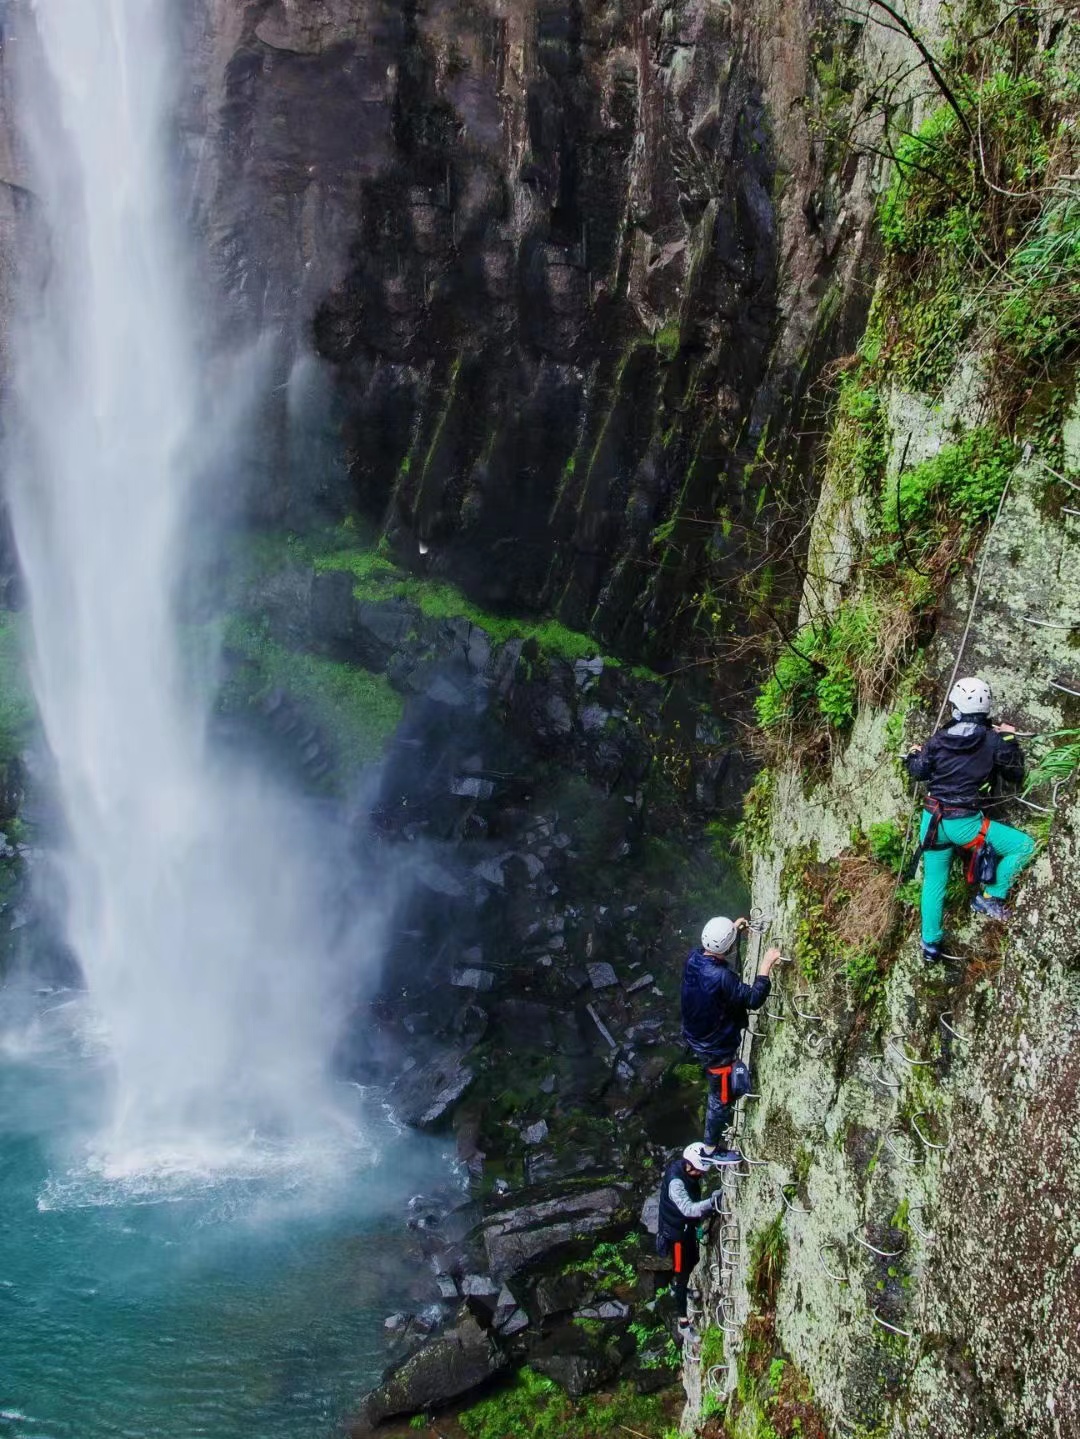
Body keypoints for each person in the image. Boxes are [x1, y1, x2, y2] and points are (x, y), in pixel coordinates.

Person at [904, 676, 1036, 963]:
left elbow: (919, 771)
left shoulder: (939, 739)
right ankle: (991, 897)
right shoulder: (992, 741)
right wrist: (1009, 738)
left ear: (956, 707)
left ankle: (930, 944)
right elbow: (1014, 772)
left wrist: (913, 753)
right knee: (1024, 846)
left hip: (932, 821)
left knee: (933, 883)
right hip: (965, 824)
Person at [681, 915, 781, 1163]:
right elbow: (752, 999)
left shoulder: (693, 959)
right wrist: (766, 966)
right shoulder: (723, 978)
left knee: (718, 1089)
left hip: (698, 1038)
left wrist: (733, 931)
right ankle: (710, 1151)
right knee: (720, 1098)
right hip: (716, 1049)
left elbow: (719, 960)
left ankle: (711, 1145)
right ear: (727, 947)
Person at [655, 1142, 720, 1339]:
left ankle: (677, 1286)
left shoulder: (684, 1169)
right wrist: (712, 1203)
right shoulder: (676, 1183)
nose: (701, 1175)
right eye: (699, 1171)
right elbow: (688, 1209)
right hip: (676, 1237)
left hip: (686, 1229)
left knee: (692, 1261)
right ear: (689, 1166)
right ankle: (683, 1323)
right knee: (682, 1273)